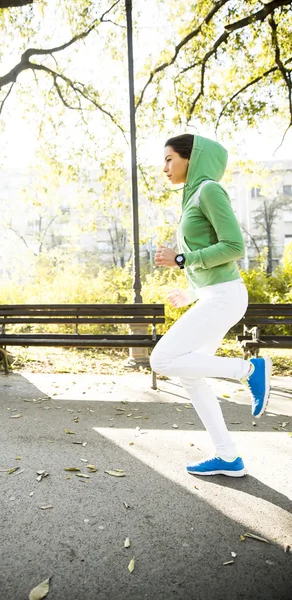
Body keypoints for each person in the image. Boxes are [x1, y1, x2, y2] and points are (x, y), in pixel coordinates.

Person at [150, 133, 272, 477]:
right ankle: (228, 456)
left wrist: (181, 258)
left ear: (192, 157)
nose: (165, 168)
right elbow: (208, 261)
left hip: (226, 296)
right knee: (192, 376)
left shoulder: (208, 190)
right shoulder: (192, 198)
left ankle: (249, 370)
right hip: (214, 295)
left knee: (162, 358)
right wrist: (190, 292)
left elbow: (234, 247)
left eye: (170, 159)